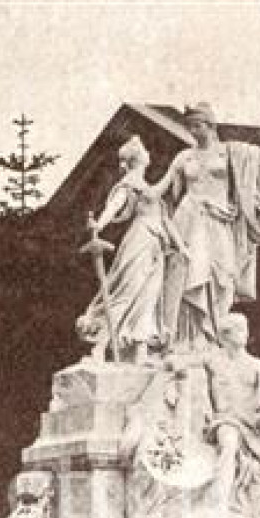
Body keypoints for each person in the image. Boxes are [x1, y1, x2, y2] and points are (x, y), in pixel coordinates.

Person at [157, 44, 260, 348]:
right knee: (189, 275)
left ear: (211, 124)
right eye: (190, 127)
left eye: (197, 125)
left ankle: (214, 339)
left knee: (221, 278)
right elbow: (163, 191)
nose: (194, 132)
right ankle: (189, 340)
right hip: (189, 220)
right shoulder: (184, 158)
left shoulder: (233, 153)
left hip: (221, 223)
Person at [165, 313, 260, 518]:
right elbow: (181, 362)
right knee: (229, 442)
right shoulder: (213, 359)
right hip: (225, 422)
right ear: (225, 336)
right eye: (239, 329)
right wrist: (172, 364)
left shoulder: (257, 365)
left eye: (245, 328)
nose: (245, 334)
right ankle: (219, 505)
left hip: (252, 426)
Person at [76, 136, 177, 362]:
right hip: (139, 242)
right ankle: (99, 345)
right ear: (139, 159)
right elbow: (114, 205)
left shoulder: (147, 187)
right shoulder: (129, 184)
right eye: (145, 152)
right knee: (126, 292)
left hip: (155, 246)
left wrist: (180, 247)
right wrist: (99, 224)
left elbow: (165, 222)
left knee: (149, 297)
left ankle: (140, 349)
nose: (149, 154)